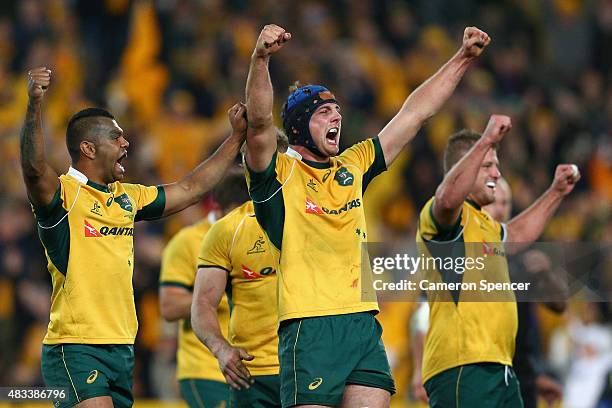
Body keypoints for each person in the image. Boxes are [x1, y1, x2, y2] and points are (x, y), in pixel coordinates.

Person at [243, 23, 491, 407]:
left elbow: (414, 115)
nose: (336, 118)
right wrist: (260, 59)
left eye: (337, 110)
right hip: (310, 326)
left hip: (362, 323)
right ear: (297, 124)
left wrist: (461, 59)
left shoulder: (353, 165)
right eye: (324, 112)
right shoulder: (278, 174)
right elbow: (259, 125)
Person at [19, 67, 245, 408]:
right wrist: (34, 104)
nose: (126, 142)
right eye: (116, 137)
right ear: (88, 149)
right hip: (76, 345)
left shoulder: (127, 198)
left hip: (122, 347)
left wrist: (236, 138)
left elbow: (191, 188)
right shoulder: (64, 196)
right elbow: (35, 170)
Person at [415, 116, 580, 407]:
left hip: (501, 368)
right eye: (488, 166)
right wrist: (487, 140)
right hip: (463, 368)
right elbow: (446, 199)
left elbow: (516, 232)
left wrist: (556, 193)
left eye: (497, 164)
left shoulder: (486, 225)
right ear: (464, 167)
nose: (497, 172)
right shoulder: (448, 220)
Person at [157, 107, 250, 408]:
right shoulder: (187, 241)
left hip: (253, 366)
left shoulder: (257, 237)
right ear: (222, 209)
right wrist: (218, 295)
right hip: (205, 371)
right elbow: (169, 306)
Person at [191, 132, 291, 408]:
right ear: (248, 165)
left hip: (312, 368)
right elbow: (202, 304)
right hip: (254, 376)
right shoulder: (226, 230)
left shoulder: (327, 219)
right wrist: (221, 350)